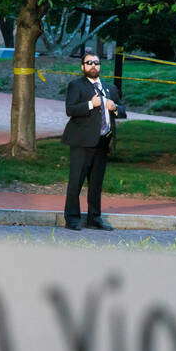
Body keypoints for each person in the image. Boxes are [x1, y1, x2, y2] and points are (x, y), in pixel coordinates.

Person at [61, 52, 127, 231]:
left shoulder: (110, 88)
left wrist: (114, 108)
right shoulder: (76, 86)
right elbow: (70, 109)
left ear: (100, 66)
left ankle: (94, 218)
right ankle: (72, 219)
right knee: (76, 182)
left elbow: (123, 111)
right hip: (81, 142)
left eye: (96, 63)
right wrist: (91, 104)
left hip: (102, 142)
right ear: (83, 66)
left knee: (96, 184)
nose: (93, 66)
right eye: (88, 63)